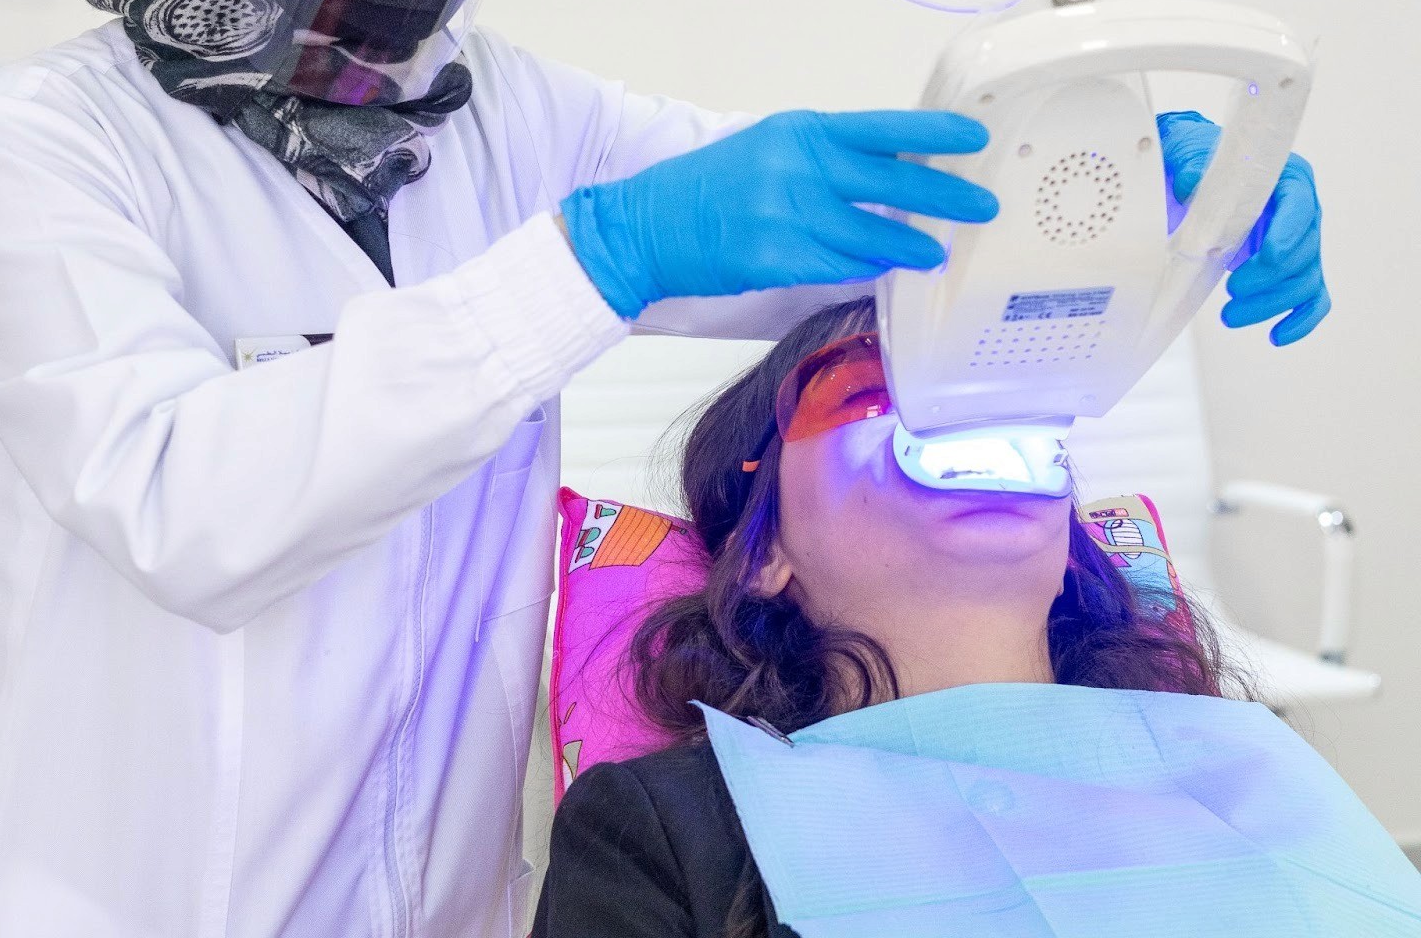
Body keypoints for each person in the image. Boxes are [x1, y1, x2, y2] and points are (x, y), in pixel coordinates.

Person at [0, 0, 1329, 938]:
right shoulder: (42, 155)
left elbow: (860, 226)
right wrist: (598, 256)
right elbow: (191, 511)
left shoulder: (506, 116)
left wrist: (1133, 207)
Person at [533, 297, 1410, 938]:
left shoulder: (1239, 765)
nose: (965, 418)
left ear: (1066, 539)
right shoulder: (672, 826)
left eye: (1005, 404)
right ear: (765, 554)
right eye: (876, 387)